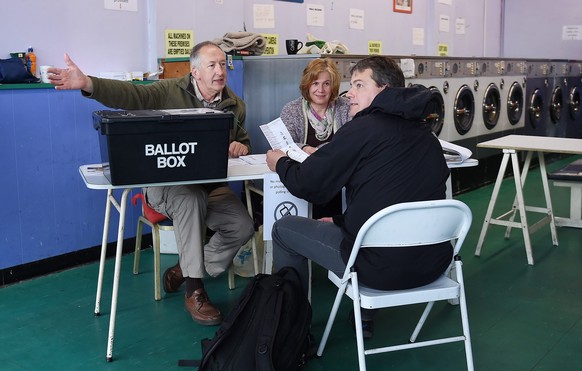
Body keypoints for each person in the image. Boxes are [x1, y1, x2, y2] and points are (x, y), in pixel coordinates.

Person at [48, 41, 255, 326]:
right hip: (166, 185)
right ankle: (195, 291)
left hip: (210, 186)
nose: (220, 71)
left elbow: (243, 142)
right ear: (195, 72)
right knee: (190, 199)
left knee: (242, 225)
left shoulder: (235, 105)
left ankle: (184, 268)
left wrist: (240, 146)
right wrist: (88, 83)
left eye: (223, 64)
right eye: (212, 65)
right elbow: (131, 94)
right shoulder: (169, 91)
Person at [265, 56, 451, 338]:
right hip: (433, 264)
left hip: (376, 268)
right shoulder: (426, 135)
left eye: (359, 85)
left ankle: (292, 329)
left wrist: (279, 163)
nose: (349, 93)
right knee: (353, 225)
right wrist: (342, 220)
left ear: (385, 90)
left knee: (283, 228)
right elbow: (390, 197)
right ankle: (363, 317)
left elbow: (308, 184)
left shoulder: (362, 129)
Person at [279, 58, 350, 218]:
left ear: (334, 86)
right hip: (303, 180)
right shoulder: (291, 109)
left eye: (327, 83)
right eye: (315, 83)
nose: (321, 89)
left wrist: (318, 151)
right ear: (307, 84)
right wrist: (304, 148)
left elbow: (350, 144)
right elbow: (284, 145)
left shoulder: (345, 107)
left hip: (339, 181)